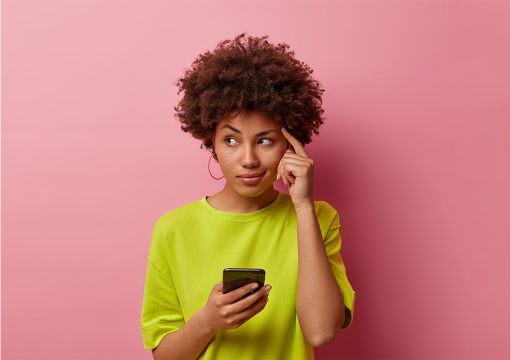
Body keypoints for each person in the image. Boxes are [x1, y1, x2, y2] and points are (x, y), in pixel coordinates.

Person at [141, 33, 356, 360]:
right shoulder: (173, 229)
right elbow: (164, 357)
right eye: (231, 140)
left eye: (265, 140)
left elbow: (321, 331)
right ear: (210, 141)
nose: (249, 158)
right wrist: (207, 321)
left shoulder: (318, 218)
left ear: (289, 143)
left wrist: (303, 206)